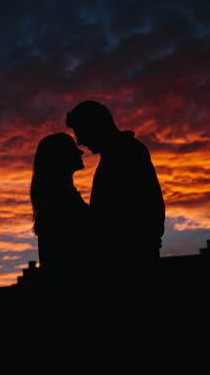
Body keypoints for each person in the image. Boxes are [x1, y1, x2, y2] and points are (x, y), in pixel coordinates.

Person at [65, 100, 165, 373]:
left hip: (128, 267)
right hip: (127, 265)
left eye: (80, 133)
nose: (80, 142)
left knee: (136, 348)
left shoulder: (125, 154)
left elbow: (140, 213)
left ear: (95, 124)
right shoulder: (121, 153)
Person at [30, 133, 98, 372]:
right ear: (59, 158)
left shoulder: (58, 197)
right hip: (73, 293)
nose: (80, 152)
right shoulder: (60, 200)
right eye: (72, 149)